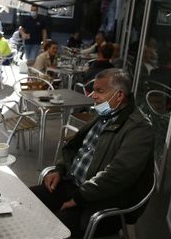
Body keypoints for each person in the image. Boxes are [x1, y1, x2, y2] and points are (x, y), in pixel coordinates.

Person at [30, 68, 154, 237]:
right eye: (93, 90)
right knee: (24, 202)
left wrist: (79, 198)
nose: (92, 96)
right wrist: (59, 169)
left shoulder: (139, 129)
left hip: (98, 202)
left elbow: (118, 175)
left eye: (99, 91)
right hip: (71, 184)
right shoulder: (105, 113)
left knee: (50, 233)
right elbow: (73, 147)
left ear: (119, 96)